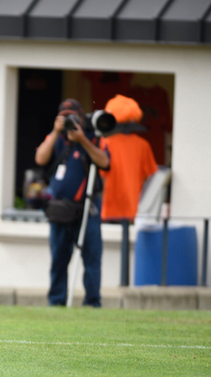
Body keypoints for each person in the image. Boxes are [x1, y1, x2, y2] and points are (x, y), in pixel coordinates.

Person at [35, 98, 110, 307]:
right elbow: (40, 158)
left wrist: (82, 139)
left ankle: (92, 301)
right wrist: (54, 131)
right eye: (65, 117)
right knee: (58, 260)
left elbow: (105, 162)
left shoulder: (93, 138)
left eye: (73, 117)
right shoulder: (57, 139)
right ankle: (56, 300)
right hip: (60, 211)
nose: (69, 122)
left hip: (87, 209)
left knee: (92, 259)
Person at [99, 94, 158, 223]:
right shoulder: (143, 145)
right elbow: (150, 176)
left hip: (108, 208)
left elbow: (100, 175)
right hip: (133, 209)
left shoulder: (104, 143)